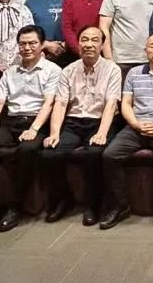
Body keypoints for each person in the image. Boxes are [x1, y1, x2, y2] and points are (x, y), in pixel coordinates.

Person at [0, 25, 61, 233]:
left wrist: (34, 129)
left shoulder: (53, 70)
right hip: (11, 122)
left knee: (27, 149)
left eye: (32, 43)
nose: (27, 48)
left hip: (38, 122)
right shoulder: (10, 72)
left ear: (42, 45)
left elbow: (49, 103)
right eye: (23, 44)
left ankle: (14, 206)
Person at [100, 33, 153, 231]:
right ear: (145, 50)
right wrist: (136, 124)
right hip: (136, 125)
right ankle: (120, 205)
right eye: (152, 46)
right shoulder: (133, 73)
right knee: (110, 155)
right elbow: (126, 104)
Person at [40, 25, 122, 227]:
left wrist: (102, 133)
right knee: (50, 153)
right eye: (84, 39)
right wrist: (54, 133)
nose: (89, 44)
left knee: (94, 153)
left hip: (99, 122)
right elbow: (60, 103)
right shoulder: (68, 70)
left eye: (95, 40)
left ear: (102, 45)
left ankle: (93, 205)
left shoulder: (112, 69)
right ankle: (63, 199)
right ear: (78, 44)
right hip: (73, 122)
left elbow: (111, 104)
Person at [25, 0, 70, 64]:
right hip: (40, 57)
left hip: (71, 55)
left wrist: (66, 44)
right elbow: (26, 31)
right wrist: (46, 44)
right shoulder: (31, 2)